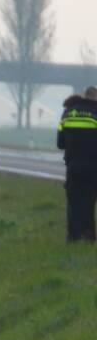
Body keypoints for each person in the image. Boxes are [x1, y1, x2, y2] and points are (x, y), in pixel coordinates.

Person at [57, 86, 97, 242]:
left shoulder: (68, 113)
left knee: (76, 204)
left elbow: (60, 143)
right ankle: (89, 238)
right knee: (90, 203)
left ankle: (75, 238)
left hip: (74, 166)